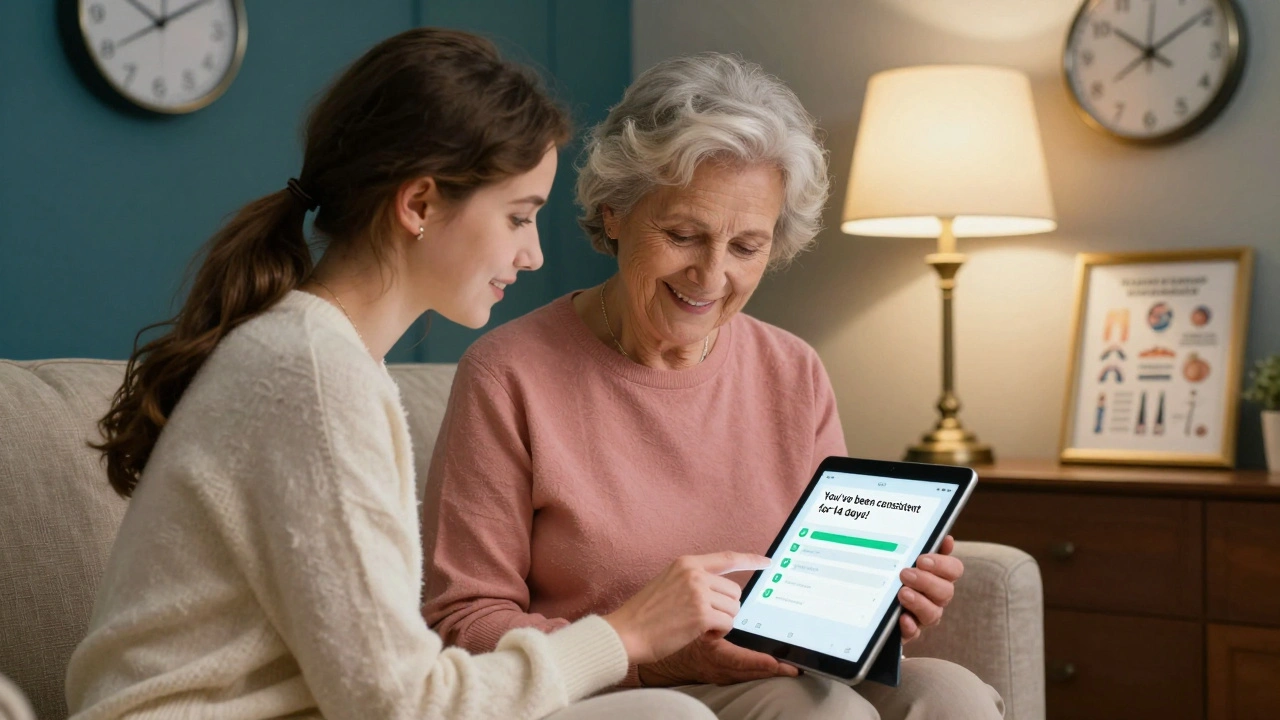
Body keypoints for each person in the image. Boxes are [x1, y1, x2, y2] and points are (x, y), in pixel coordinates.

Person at [66, 29, 754, 720]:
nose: (535, 255)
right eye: (519, 217)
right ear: (420, 204)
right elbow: (401, 706)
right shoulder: (310, 376)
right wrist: (626, 634)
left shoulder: (322, 358)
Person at [423, 53, 1004, 719]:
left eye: (746, 247)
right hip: (625, 693)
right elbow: (464, 625)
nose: (710, 276)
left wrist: (879, 601)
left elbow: (812, 587)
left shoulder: (793, 370)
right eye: (683, 234)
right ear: (614, 212)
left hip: (776, 665)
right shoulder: (507, 373)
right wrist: (655, 657)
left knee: (953, 695)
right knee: (823, 713)